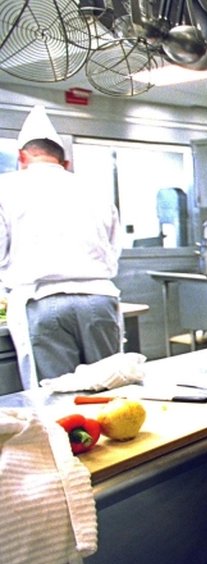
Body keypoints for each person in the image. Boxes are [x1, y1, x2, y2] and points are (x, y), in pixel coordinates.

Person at [0, 105, 123, 390]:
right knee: (112, 390)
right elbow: (114, 246)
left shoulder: (5, 188)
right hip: (99, 298)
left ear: (21, 157)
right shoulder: (94, 187)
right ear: (64, 162)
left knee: (58, 396)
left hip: (41, 301)